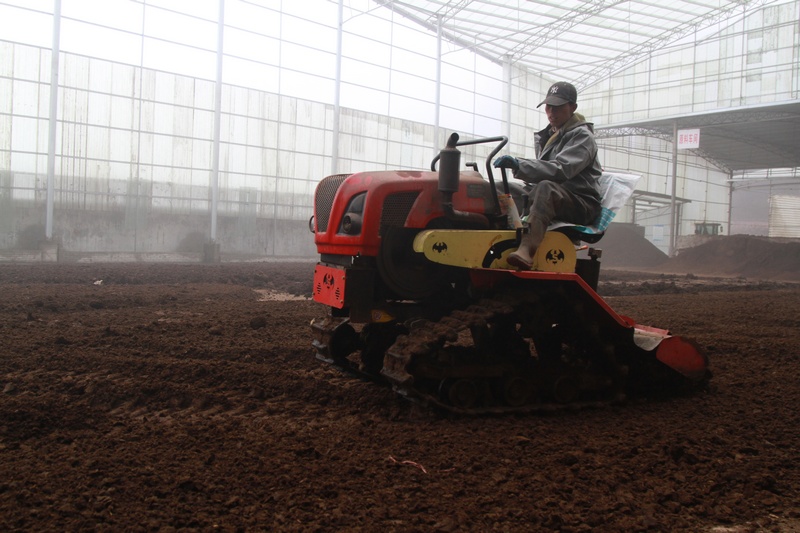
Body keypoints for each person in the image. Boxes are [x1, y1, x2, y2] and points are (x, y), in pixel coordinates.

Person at [493, 81, 602, 270]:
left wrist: (521, 164)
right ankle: (496, 238)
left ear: (573, 107)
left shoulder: (583, 137)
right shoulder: (551, 135)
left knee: (545, 188)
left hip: (580, 202)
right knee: (500, 187)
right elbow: (541, 173)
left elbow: (560, 170)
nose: (552, 112)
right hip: (554, 195)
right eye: (548, 107)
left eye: (558, 107)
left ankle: (527, 250)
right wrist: (521, 169)